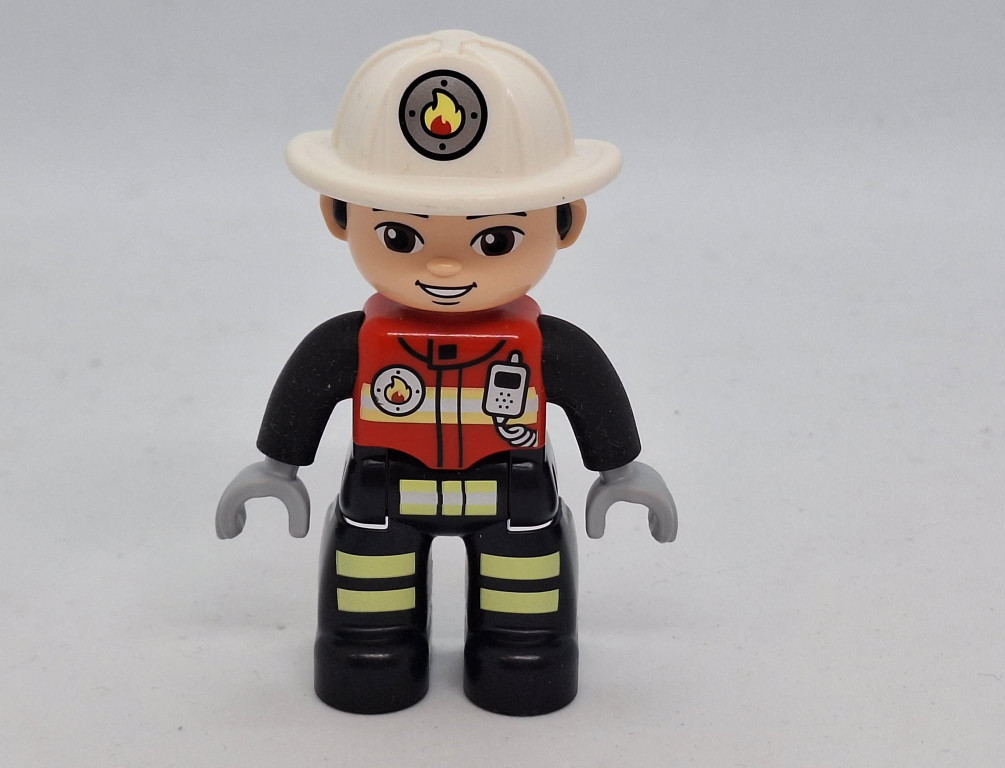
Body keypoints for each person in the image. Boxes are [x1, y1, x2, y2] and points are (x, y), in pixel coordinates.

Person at [216, 30, 677, 716]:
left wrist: (620, 470)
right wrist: (278, 467)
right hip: (384, 494)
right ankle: (369, 656)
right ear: (338, 215)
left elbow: (591, 394)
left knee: (526, 618)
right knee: (367, 611)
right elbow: (305, 394)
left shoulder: (547, 347)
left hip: (513, 495)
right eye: (400, 236)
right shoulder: (354, 343)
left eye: (496, 239)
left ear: (565, 222)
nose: (445, 266)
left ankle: (523, 659)